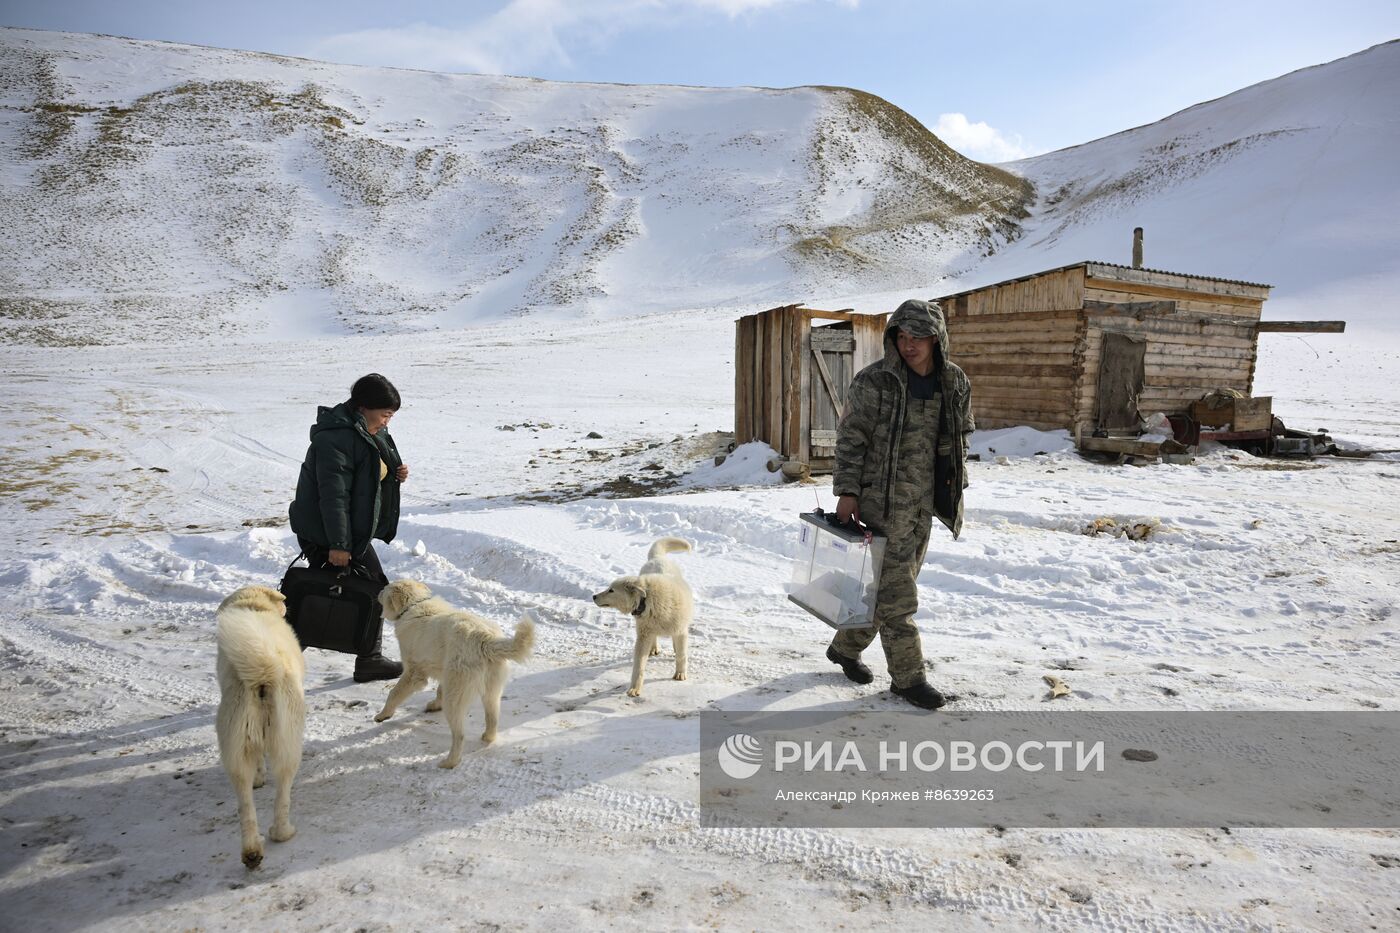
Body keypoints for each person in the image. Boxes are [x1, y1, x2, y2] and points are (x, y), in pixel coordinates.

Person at [825, 299, 973, 709]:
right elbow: (851, 438)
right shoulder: (875, 381)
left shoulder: (954, 381)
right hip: (879, 502)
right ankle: (908, 679)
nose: (909, 345)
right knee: (898, 598)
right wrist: (848, 492)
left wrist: (953, 479)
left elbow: (964, 432)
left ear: (936, 338)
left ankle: (844, 648)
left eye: (918, 337)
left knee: (883, 590)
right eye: (902, 336)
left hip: (924, 504)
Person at [288, 373, 409, 683]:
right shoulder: (336, 438)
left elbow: (368, 472)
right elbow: (334, 496)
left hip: (347, 531)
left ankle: (367, 659)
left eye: (391, 416)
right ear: (364, 407)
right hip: (327, 533)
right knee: (327, 593)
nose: (387, 422)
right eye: (385, 414)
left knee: (336, 592)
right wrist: (339, 545)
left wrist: (394, 473)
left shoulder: (365, 430)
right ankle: (276, 663)